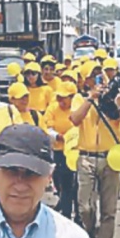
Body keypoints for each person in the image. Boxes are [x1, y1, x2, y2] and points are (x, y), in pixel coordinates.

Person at [70, 60, 120, 238]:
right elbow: (75, 119)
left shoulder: (113, 99)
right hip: (86, 157)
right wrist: (91, 98)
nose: (99, 79)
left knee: (109, 208)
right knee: (85, 207)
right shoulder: (80, 98)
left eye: (102, 75)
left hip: (111, 158)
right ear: (86, 80)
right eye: (94, 76)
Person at [43, 83, 79, 219]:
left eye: (64, 98)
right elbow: (47, 128)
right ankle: (66, 214)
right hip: (60, 152)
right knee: (63, 185)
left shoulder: (79, 108)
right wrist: (58, 136)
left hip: (77, 152)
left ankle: (79, 216)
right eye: (58, 97)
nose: (60, 101)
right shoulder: (53, 108)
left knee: (77, 186)